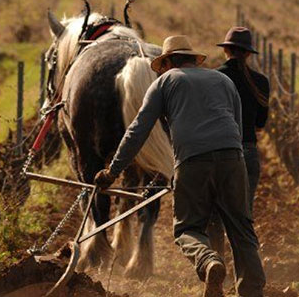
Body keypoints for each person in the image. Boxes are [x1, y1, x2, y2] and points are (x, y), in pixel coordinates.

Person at [94, 35, 266, 297]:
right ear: (192, 59)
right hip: (233, 158)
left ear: (168, 62)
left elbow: (138, 131)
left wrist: (112, 171)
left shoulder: (165, 82)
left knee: (187, 228)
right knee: (242, 229)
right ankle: (252, 292)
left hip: (192, 160)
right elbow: (238, 126)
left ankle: (209, 261)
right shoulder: (223, 80)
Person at [217, 27, 270, 214]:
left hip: (218, 152)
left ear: (225, 50)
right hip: (247, 151)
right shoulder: (261, 82)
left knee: (216, 215)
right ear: (248, 53)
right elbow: (261, 123)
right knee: (243, 214)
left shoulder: (215, 78)